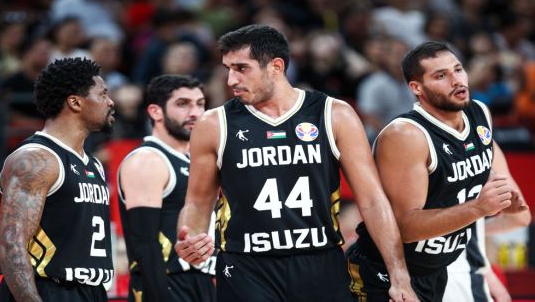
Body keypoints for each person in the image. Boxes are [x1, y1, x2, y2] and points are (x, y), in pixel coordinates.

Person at [174, 24, 418, 302]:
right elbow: (197, 201)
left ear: (276, 67)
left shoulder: (334, 114)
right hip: (246, 267)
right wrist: (190, 237)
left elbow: (373, 200)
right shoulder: (213, 123)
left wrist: (399, 274)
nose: (231, 80)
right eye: (228, 68)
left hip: (320, 261)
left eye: (241, 68)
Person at [346, 41, 528, 302]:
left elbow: (512, 215)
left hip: (436, 270)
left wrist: (505, 207)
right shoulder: (406, 135)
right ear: (416, 87)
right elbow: (406, 226)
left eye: (458, 69)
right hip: (385, 272)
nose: (456, 80)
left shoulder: (479, 114)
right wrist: (478, 209)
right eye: (441, 76)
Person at [0, 57, 115, 301]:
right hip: (48, 289)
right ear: (75, 102)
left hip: (92, 291)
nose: (111, 102)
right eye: (103, 94)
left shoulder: (93, 164)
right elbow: (12, 244)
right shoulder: (36, 160)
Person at [118, 74, 216, 302]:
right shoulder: (148, 159)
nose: (194, 112)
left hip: (201, 280)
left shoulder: (197, 159)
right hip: (164, 282)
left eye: (200, 104)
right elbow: (145, 244)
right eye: (183, 104)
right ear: (155, 112)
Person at [444, 144, 531, 302]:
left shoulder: (404, 134)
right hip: (462, 270)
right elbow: (520, 217)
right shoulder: (483, 141)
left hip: (413, 272)